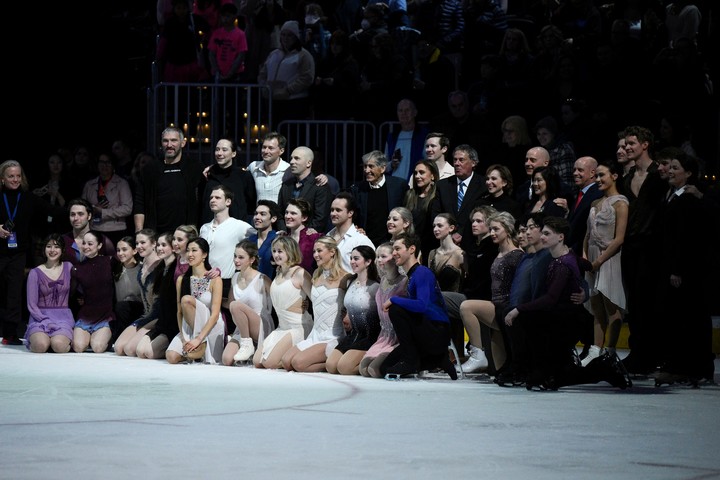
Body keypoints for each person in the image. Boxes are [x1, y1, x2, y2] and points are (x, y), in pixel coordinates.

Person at [504, 217, 631, 391]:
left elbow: (551, 298)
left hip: (566, 323)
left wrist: (518, 308)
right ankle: (601, 369)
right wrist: (582, 289)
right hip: (559, 319)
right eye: (543, 233)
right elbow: (586, 264)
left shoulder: (563, 264)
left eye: (547, 234)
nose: (542, 237)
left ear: (561, 237)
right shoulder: (565, 256)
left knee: (527, 318)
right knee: (554, 378)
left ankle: (604, 368)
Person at [654, 153, 714, 386]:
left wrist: (677, 269)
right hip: (672, 266)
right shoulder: (672, 195)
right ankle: (682, 365)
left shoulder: (689, 199)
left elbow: (686, 238)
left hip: (686, 270)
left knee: (690, 319)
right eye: (670, 167)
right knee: (678, 318)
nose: (670, 171)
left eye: (676, 168)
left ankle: (691, 367)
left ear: (688, 173)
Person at [0, 160, 66, 345]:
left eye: (18, 176)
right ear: (2, 179)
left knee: (14, 294)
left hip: (18, 252)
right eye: (11, 176)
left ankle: (10, 334)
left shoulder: (28, 198)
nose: (15, 179)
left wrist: (76, 211)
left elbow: (52, 211)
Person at [620, 125, 667, 374]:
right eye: (626, 144)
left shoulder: (658, 173)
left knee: (652, 303)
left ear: (645, 144)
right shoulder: (627, 178)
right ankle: (638, 354)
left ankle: (654, 354)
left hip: (653, 246)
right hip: (631, 246)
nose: (627, 147)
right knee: (635, 304)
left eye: (631, 143)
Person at [381, 232, 457, 380]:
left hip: (436, 332)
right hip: (425, 331)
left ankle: (414, 360)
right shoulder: (412, 275)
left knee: (396, 309)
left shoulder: (422, 272)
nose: (394, 253)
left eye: (397, 249)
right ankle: (437, 360)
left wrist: (394, 299)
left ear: (411, 249)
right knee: (384, 368)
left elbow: (422, 306)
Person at [459, 211, 524, 374]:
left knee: (467, 307)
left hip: (506, 307)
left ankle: (477, 355)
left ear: (508, 230)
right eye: (491, 229)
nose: (492, 233)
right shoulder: (497, 252)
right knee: (498, 371)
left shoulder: (517, 255)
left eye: (496, 229)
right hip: (495, 304)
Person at [581, 160, 629, 367]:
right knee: (596, 305)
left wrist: (599, 260)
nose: (598, 179)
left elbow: (619, 239)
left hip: (608, 257)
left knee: (611, 303)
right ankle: (595, 349)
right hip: (592, 257)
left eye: (602, 175)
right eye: (597, 176)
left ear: (615, 176)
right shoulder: (594, 203)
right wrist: (584, 257)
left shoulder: (621, 203)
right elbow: (587, 234)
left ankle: (610, 350)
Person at [282, 236, 351, 372]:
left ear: (332, 252)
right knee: (286, 361)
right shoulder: (316, 274)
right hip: (315, 334)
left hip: (332, 336)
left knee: (298, 363)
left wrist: (347, 314)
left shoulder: (346, 277)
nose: (315, 255)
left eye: (319, 251)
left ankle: (333, 363)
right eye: (314, 251)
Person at [254, 236, 313, 369]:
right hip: (282, 328)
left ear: (290, 251)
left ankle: (294, 361)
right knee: (257, 361)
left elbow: (315, 298)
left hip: (298, 327)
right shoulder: (278, 272)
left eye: (280, 251)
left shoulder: (299, 273)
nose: (276, 254)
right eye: (274, 251)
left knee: (270, 363)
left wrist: (306, 304)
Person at [134, 126, 203, 235]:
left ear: (183, 143)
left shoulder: (194, 168)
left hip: (186, 233)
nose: (169, 145)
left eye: (173, 140)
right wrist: (139, 232)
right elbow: (139, 202)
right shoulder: (150, 169)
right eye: (165, 141)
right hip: (156, 233)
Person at [166, 238, 225, 364]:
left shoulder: (215, 279)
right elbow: (179, 312)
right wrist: (182, 337)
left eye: (194, 250)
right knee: (171, 356)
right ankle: (194, 352)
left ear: (204, 254)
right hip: (188, 327)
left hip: (210, 326)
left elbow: (215, 314)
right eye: (188, 251)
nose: (190, 254)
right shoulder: (182, 279)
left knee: (186, 299)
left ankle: (201, 344)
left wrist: (198, 338)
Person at [326, 246, 381, 375]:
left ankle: (375, 365)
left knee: (345, 368)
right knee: (331, 366)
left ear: (368, 262)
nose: (352, 261)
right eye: (351, 258)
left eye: (356, 258)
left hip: (370, 336)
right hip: (353, 335)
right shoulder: (350, 281)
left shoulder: (375, 287)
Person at [359, 242, 408, 378]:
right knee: (363, 370)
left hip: (398, 337)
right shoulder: (383, 280)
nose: (379, 260)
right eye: (378, 257)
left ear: (394, 258)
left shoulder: (404, 282)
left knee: (374, 370)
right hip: (384, 336)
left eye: (383, 256)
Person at [222, 240, 274, 365]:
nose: (236, 260)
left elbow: (278, 298)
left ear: (251, 260)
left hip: (260, 325)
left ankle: (247, 345)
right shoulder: (235, 278)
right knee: (227, 359)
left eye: (241, 257)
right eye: (235, 256)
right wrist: (212, 298)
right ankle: (248, 345)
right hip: (242, 327)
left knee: (236, 305)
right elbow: (229, 304)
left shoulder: (262, 279)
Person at [430, 144, 489, 253]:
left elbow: (484, 214)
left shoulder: (483, 185)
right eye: (455, 160)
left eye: (461, 160)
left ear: (473, 163)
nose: (457, 164)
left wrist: (461, 233)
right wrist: (448, 233)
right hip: (445, 242)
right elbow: (436, 213)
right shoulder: (443, 185)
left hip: (473, 243)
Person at [199, 185, 255, 297]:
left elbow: (259, 236)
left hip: (225, 281)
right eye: (211, 198)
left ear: (228, 201)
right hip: (202, 280)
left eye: (217, 197)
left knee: (222, 313)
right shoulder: (204, 228)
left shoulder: (239, 226)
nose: (213, 200)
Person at [24, 234, 74, 353]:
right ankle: (42, 341)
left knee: (59, 346)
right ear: (44, 249)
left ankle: (57, 341)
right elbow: (31, 305)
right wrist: (44, 319)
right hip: (40, 318)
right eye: (49, 246)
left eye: (56, 247)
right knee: (40, 346)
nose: (52, 250)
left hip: (63, 319)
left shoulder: (69, 267)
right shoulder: (35, 272)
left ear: (62, 250)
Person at [136, 232, 182, 360]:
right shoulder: (160, 269)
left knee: (150, 353)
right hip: (161, 321)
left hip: (172, 323)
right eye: (159, 245)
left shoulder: (177, 269)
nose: (160, 248)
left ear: (172, 248)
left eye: (164, 245)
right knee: (140, 351)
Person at [349, 150, 409, 247]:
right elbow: (352, 215)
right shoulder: (357, 189)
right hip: (366, 243)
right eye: (365, 166)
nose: (366, 170)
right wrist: (356, 228)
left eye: (371, 166)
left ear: (382, 168)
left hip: (392, 242)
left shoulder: (399, 186)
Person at [258, 20, 315, 121]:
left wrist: (288, 90)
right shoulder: (274, 54)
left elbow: (306, 78)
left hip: (293, 102)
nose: (285, 38)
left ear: (296, 37)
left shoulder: (304, 55)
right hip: (272, 101)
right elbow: (263, 73)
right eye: (283, 35)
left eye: (289, 35)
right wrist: (263, 87)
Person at [71, 231, 115, 353]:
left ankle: (106, 336)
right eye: (84, 243)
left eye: (90, 244)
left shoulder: (110, 262)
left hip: (105, 315)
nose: (86, 247)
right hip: (86, 315)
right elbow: (72, 294)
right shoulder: (77, 268)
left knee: (98, 347)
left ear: (100, 246)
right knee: (79, 347)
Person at [199, 138, 257, 225]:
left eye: (224, 150)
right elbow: (201, 202)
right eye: (217, 149)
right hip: (210, 228)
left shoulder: (244, 176)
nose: (219, 153)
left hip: (236, 229)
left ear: (233, 153)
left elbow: (251, 205)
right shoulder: (207, 175)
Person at [81, 153, 133, 247]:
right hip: (94, 228)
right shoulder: (89, 184)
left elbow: (127, 208)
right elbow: (82, 208)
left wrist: (103, 212)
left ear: (113, 165)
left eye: (108, 162)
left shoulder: (122, 183)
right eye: (101, 162)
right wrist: (93, 209)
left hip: (116, 229)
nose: (104, 165)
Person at [276, 146, 331, 232]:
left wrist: (304, 235)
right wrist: (284, 232)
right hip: (287, 239)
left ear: (308, 163)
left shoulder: (319, 186)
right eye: (291, 158)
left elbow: (321, 218)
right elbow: (279, 213)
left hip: (309, 239)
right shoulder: (286, 185)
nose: (291, 162)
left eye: (297, 158)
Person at [326, 192, 375, 273]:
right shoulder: (328, 236)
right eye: (332, 210)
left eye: (338, 210)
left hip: (350, 284)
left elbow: (373, 267)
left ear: (350, 213)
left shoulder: (360, 240)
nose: (333, 213)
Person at [384, 99, 429, 183]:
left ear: (415, 112)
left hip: (415, 184)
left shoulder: (424, 135)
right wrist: (392, 164)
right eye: (400, 111)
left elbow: (429, 161)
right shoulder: (392, 137)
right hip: (394, 184)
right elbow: (384, 165)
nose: (403, 113)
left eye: (407, 110)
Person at [109, 236, 144, 345]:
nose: (120, 253)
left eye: (124, 249)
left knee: (122, 307)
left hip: (138, 310)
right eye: (118, 250)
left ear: (134, 250)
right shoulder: (116, 269)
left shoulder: (142, 268)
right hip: (120, 312)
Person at [61, 198, 116, 267]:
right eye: (72, 214)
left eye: (80, 214)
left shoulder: (103, 240)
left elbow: (114, 266)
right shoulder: (62, 240)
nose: (76, 218)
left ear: (89, 216)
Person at [564, 156, 602, 255]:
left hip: (585, 252)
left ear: (592, 173)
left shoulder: (597, 194)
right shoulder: (580, 194)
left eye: (580, 170)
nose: (575, 173)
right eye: (574, 170)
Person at [404, 159, 439, 262]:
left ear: (432, 175)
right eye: (415, 173)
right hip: (410, 245)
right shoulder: (409, 195)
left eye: (422, 172)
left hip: (430, 247)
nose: (417, 176)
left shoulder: (437, 197)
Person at [247, 132, 293, 204]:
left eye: (271, 148)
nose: (266, 151)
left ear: (281, 151)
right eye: (264, 147)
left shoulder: (288, 170)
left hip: (280, 214)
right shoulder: (254, 166)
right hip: (258, 214)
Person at [207, 3, 248, 83]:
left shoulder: (240, 34)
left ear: (234, 17)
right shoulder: (216, 33)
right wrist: (216, 70)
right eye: (223, 16)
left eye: (228, 16)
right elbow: (211, 53)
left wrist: (231, 73)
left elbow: (241, 55)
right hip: (218, 74)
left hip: (235, 74)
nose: (225, 19)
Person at [428, 213, 467, 294]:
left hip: (453, 300)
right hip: (434, 298)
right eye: (434, 226)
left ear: (451, 228)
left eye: (439, 225)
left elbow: (468, 280)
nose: (435, 229)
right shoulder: (432, 253)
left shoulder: (460, 254)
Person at [534, 116, 576, 186]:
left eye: (544, 133)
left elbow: (568, 180)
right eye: (538, 134)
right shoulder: (542, 151)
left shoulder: (564, 149)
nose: (541, 137)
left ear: (553, 134)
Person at [284, 198, 322, 273]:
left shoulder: (314, 238)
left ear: (304, 217)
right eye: (286, 212)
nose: (287, 216)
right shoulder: (283, 238)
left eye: (293, 213)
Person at [248, 199, 281, 279]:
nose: (257, 217)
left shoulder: (278, 240)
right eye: (256, 214)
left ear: (273, 219)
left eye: (263, 214)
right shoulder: (249, 241)